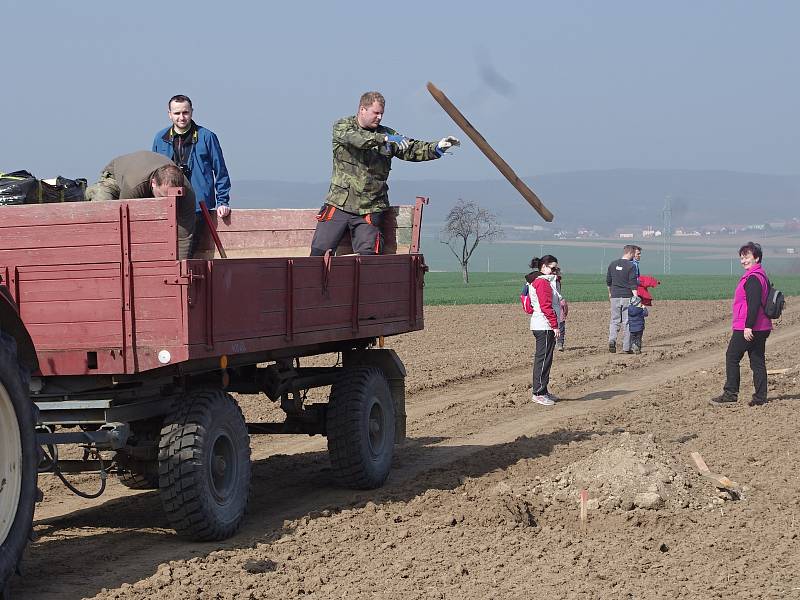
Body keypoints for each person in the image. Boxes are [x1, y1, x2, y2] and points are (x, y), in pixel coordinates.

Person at [310, 91, 459, 256]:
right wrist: (384, 139)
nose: (380, 117)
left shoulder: (388, 134)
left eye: (382, 113)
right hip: (339, 204)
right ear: (362, 110)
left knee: (368, 258)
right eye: (376, 113)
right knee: (318, 254)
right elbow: (357, 139)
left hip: (371, 207)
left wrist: (438, 147)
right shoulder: (343, 127)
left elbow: (411, 148)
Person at [152, 94, 231, 256]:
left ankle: (184, 279)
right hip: (167, 203)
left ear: (192, 112)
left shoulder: (207, 137)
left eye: (185, 112)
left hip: (198, 205)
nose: (181, 117)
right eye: (177, 113)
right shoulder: (160, 138)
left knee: (188, 250)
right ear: (169, 114)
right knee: (166, 249)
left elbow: (220, 170)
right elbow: (153, 171)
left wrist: (223, 201)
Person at [85, 151, 195, 259]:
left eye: (172, 198)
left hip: (141, 176)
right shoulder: (134, 186)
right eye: (163, 196)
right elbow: (126, 223)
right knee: (103, 214)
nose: (168, 202)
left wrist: (178, 267)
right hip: (116, 178)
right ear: (154, 183)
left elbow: (184, 236)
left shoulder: (187, 193)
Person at [712, 242, 772, 406]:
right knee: (757, 361)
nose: (743, 260)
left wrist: (748, 326)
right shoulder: (761, 275)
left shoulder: (753, 278)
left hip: (748, 326)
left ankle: (730, 393)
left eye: (747, 257)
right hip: (762, 326)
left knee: (732, 357)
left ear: (757, 257)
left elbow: (753, 305)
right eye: (741, 257)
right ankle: (760, 398)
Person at [525, 255, 561, 406]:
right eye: (553, 268)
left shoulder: (539, 280)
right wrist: (555, 325)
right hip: (544, 325)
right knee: (543, 359)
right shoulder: (541, 282)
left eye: (557, 269)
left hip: (543, 324)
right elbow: (546, 306)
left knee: (546, 359)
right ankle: (538, 393)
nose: (555, 271)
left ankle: (543, 390)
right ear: (544, 267)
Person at [606, 245, 639, 354]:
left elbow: (608, 282)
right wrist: (636, 298)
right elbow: (633, 284)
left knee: (614, 320)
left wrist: (610, 293)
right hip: (627, 297)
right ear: (630, 253)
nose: (635, 256)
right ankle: (626, 347)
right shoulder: (631, 266)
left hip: (615, 296)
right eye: (634, 254)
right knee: (627, 322)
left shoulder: (612, 264)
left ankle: (612, 340)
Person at [553, 266, 568, 351]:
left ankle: (559, 344)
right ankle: (558, 343)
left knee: (559, 328)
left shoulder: (557, 281)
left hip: (558, 304)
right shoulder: (555, 280)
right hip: (557, 304)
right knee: (559, 328)